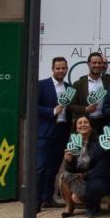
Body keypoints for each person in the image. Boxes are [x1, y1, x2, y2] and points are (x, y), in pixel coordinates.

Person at [37, 56, 70, 210]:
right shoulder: (42, 85)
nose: (61, 71)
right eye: (58, 68)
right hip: (45, 132)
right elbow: (33, 107)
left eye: (63, 68)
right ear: (52, 69)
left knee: (54, 168)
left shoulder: (69, 88)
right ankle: (35, 202)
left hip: (62, 131)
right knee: (41, 167)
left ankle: (47, 198)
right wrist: (51, 110)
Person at [59, 115, 93, 218]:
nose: (83, 125)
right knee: (64, 176)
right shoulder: (72, 142)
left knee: (76, 196)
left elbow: (100, 166)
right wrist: (68, 161)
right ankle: (69, 207)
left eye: (85, 122)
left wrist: (84, 174)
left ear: (91, 127)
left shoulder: (97, 143)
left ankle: (89, 203)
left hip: (91, 179)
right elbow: (68, 169)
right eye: (80, 123)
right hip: (76, 179)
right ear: (76, 128)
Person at [66, 51, 109, 133]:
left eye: (99, 63)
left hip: (104, 123)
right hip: (86, 123)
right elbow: (70, 106)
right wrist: (85, 109)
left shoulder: (108, 81)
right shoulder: (78, 84)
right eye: (94, 63)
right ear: (88, 64)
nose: (97, 65)